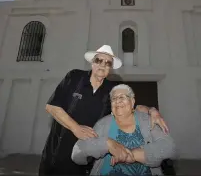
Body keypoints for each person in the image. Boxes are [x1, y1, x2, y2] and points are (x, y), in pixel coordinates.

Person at [39, 45, 169, 176]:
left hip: (86, 156)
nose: (103, 65)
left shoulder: (111, 89)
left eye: (108, 63)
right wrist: (76, 128)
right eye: (99, 60)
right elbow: (52, 106)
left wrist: (153, 111)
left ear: (110, 68)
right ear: (92, 62)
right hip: (56, 153)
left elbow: (133, 108)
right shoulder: (75, 77)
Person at [71, 84, 177, 175]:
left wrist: (133, 155)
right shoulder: (102, 124)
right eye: (114, 98)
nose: (118, 101)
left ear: (132, 101)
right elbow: (77, 153)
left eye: (122, 97)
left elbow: (169, 147)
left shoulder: (148, 120)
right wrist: (106, 144)